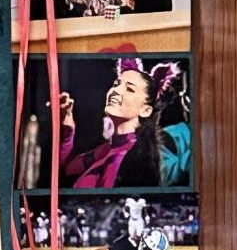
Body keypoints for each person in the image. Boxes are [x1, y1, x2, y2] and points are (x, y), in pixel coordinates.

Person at [59, 60, 182, 190]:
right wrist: (68, 129)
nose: (115, 90)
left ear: (146, 110)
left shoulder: (126, 157)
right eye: (116, 84)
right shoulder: (108, 149)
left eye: (129, 89)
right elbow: (67, 169)